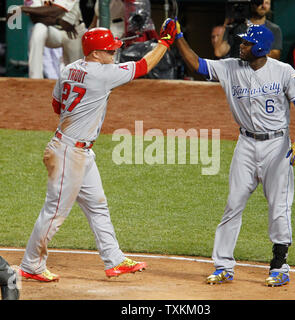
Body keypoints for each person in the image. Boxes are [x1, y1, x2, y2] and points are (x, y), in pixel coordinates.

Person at [18, 20, 176, 282]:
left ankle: (114, 259)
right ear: (95, 53)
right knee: (54, 212)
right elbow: (144, 66)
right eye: (110, 51)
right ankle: (31, 264)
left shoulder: (69, 69)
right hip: (69, 154)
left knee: (98, 207)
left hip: (77, 151)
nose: (114, 55)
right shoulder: (101, 74)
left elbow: (57, 106)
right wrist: (165, 42)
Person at [173, 21, 295, 287]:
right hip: (246, 145)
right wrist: (178, 37)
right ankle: (224, 266)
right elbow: (197, 65)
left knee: (279, 206)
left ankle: (279, 265)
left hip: (277, 147)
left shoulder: (282, 72)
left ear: (259, 47)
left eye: (246, 43)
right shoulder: (229, 68)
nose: (241, 45)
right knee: (233, 204)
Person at [17, 0, 86, 79]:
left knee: (76, 76)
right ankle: (35, 78)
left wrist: (23, 9)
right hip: (52, 30)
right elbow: (34, 18)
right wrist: (58, 21)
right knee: (39, 28)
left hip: (73, 31)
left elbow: (57, 10)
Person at [89, 0, 158, 47]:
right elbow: (99, 9)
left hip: (116, 26)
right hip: (99, 26)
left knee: (111, 56)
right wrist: (93, 23)